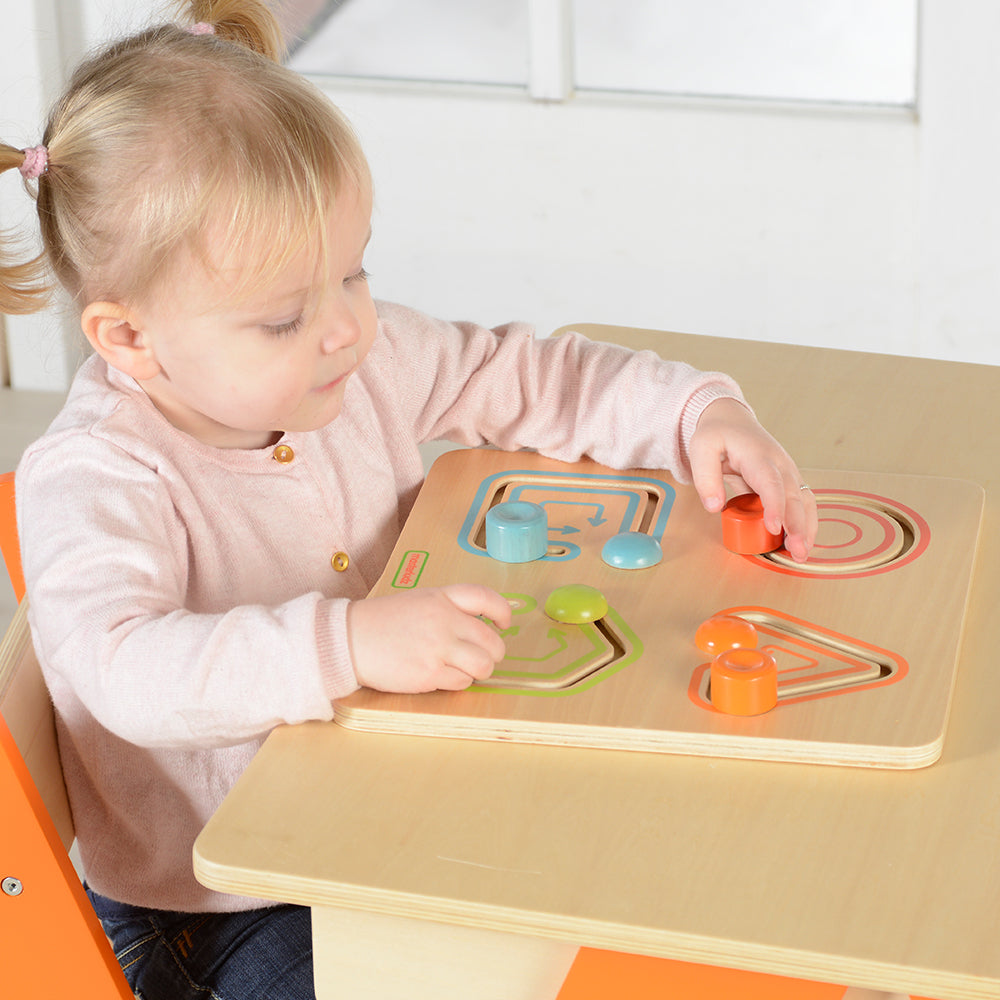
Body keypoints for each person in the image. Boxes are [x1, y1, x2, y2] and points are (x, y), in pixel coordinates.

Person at [0, 2, 817, 997]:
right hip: (219, 906)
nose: (347, 328)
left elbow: (520, 375)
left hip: (382, 800)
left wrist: (692, 412)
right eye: (284, 317)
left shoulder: (351, 362)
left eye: (354, 271)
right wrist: (347, 646)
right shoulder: (96, 474)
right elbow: (127, 670)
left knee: (665, 874)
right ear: (129, 340)